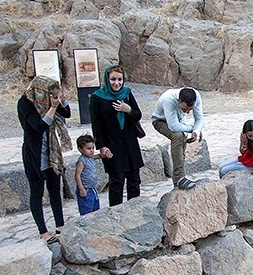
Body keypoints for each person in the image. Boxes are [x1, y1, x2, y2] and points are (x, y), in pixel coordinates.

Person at [17, 75, 72, 244]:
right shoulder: (25, 103)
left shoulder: (47, 102)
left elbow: (67, 113)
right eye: (49, 95)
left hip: (51, 152)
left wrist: (61, 100)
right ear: (40, 92)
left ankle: (60, 225)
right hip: (34, 153)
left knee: (55, 189)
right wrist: (53, 108)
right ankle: (42, 231)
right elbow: (40, 126)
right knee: (37, 192)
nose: (51, 98)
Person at [89, 64, 144, 207]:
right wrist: (101, 146)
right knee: (117, 181)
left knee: (134, 179)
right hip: (112, 144)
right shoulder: (97, 97)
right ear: (107, 79)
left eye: (120, 79)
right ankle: (116, 212)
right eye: (113, 79)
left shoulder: (126, 93)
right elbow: (96, 124)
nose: (117, 83)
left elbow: (137, 115)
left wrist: (128, 109)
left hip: (130, 143)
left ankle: (134, 209)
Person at [151, 87, 204, 190]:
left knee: (182, 140)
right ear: (178, 100)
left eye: (190, 110)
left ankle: (177, 183)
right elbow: (173, 126)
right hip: (160, 121)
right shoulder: (168, 98)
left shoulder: (196, 95)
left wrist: (196, 132)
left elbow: (199, 118)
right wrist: (192, 128)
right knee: (178, 136)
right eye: (184, 109)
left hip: (179, 121)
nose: (188, 112)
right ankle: (180, 177)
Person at [74, 133, 102, 216]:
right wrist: (81, 188)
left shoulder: (91, 157)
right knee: (86, 211)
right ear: (80, 149)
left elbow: (100, 155)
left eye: (93, 148)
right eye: (88, 148)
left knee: (95, 209)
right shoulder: (81, 161)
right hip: (86, 189)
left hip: (93, 188)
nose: (91, 150)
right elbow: (77, 175)